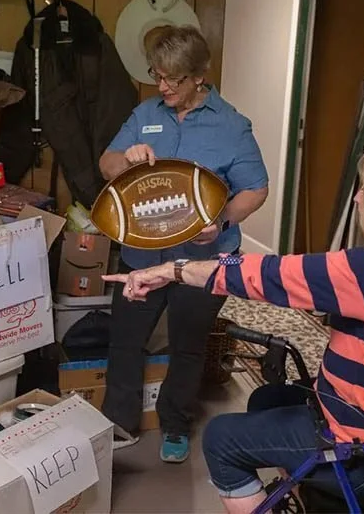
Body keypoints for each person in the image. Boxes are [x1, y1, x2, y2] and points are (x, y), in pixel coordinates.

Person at [103, 142, 364, 513]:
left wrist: (172, 270)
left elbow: (268, 274)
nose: (357, 199)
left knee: (221, 439)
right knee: (267, 400)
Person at [98, 25, 269, 463]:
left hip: (202, 259)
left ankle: (175, 424)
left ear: (199, 76)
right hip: (143, 255)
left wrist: (223, 219)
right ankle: (119, 422)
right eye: (157, 76)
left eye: (174, 79)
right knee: (125, 339)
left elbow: (256, 188)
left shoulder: (231, 126)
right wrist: (125, 160)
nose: (163, 87)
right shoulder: (145, 114)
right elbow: (107, 163)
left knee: (187, 345)